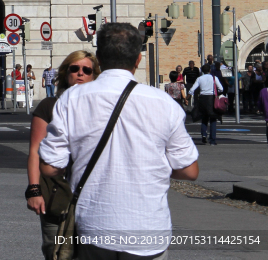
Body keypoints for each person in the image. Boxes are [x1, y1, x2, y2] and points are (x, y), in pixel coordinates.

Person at [40, 23, 199, 259]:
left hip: (94, 227)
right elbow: (189, 171)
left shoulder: (72, 99)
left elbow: (50, 166)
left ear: (99, 59)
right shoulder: (164, 103)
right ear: (138, 59)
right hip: (148, 230)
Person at [27, 50, 100, 260]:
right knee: (56, 251)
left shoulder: (101, 107)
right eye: (74, 68)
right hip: (56, 193)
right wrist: (34, 190)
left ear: (94, 75)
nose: (80, 74)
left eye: (87, 70)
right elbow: (35, 150)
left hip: (94, 194)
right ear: (65, 73)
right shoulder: (49, 106)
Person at [191, 63, 224, 145]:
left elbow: (192, 89)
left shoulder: (199, 78)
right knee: (213, 119)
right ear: (210, 70)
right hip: (211, 98)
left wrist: (188, 97)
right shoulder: (214, 78)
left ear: (202, 71)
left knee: (204, 117)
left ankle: (204, 135)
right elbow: (221, 88)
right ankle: (212, 140)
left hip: (202, 99)